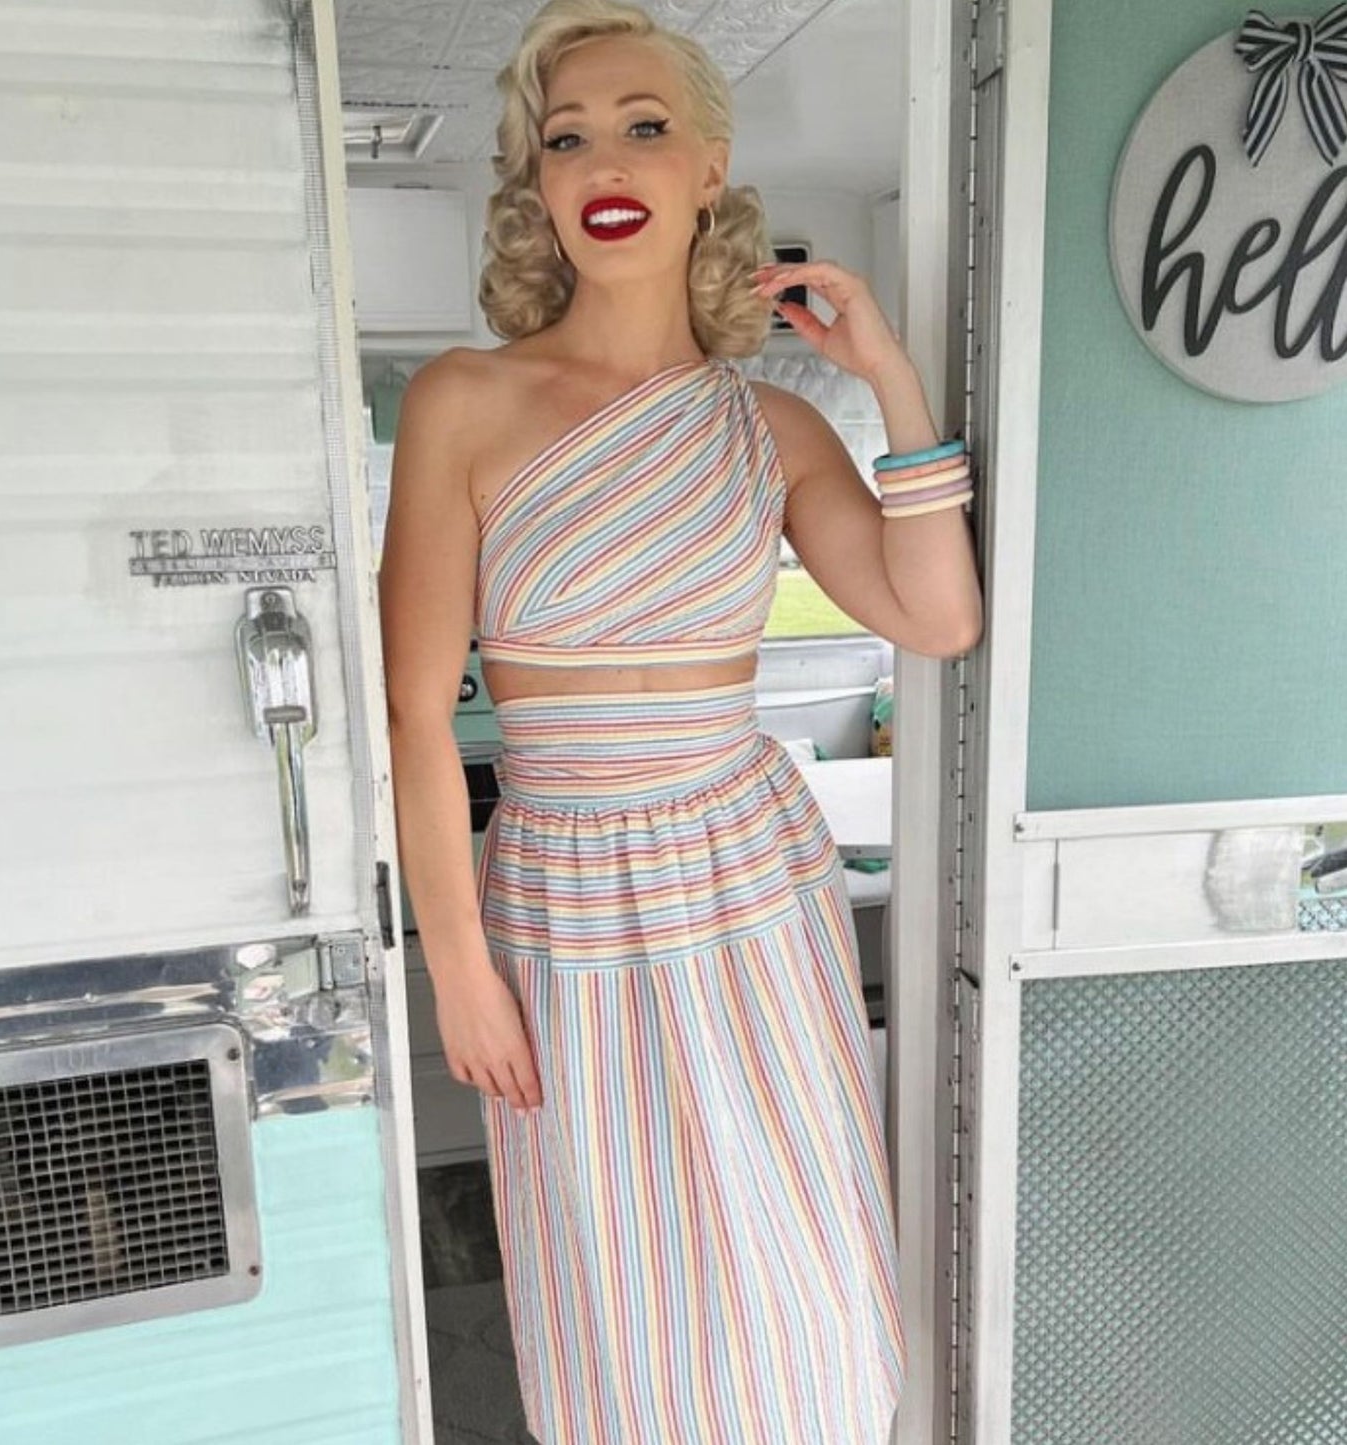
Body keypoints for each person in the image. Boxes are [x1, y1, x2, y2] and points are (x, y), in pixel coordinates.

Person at [378, 0, 983, 1439]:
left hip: (750, 871)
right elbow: (411, 714)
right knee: (615, 1269)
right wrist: (456, 968)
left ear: (708, 166)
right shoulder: (464, 400)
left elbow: (937, 618)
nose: (604, 160)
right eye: (565, 137)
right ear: (534, 184)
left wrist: (890, 376)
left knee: (800, 1267)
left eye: (643, 126)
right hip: (565, 880)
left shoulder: (770, 424)